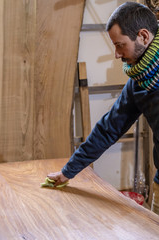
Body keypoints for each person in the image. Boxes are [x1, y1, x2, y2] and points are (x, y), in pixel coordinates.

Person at [48, 2, 159, 214]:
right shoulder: (139, 83)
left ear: (143, 36)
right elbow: (108, 129)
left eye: (119, 45)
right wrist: (68, 171)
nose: (116, 55)